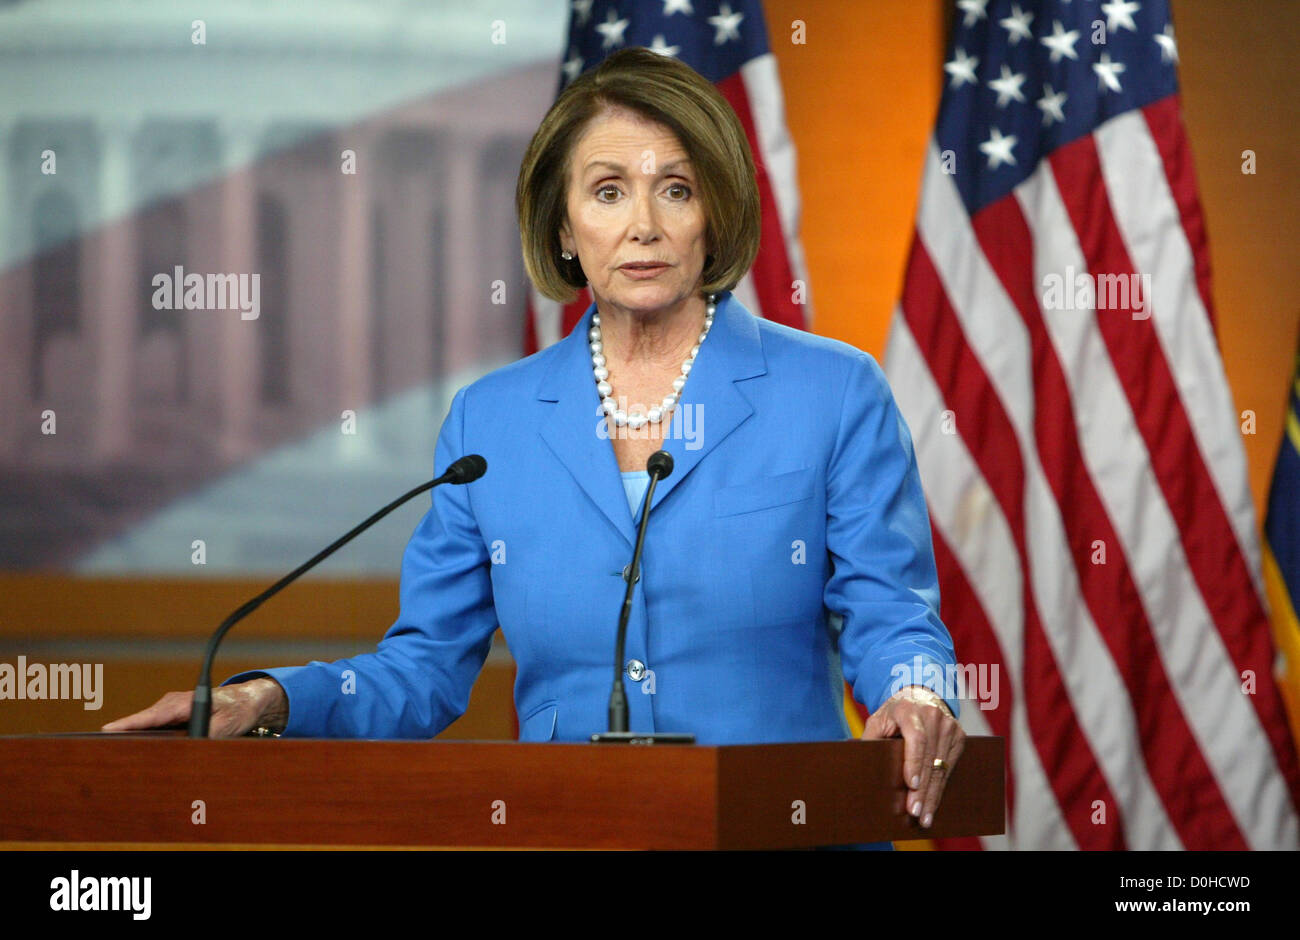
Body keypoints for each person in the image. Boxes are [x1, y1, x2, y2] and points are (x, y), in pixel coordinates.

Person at [104, 47, 965, 839]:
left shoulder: (831, 391)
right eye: (607, 191)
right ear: (562, 229)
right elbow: (426, 668)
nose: (644, 226)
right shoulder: (493, 423)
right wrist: (267, 699)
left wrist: (915, 689)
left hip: (781, 831)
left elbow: (892, 611)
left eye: (676, 188)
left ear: (716, 213)